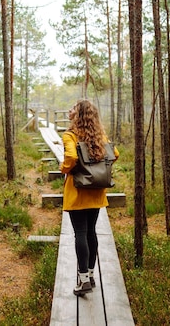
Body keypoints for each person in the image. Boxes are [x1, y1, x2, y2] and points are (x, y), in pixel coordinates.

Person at [60, 99, 119, 296]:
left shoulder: (70, 136)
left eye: (73, 108)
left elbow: (71, 158)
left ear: (78, 115)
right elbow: (115, 154)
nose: (70, 110)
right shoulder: (99, 135)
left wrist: (64, 169)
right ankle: (91, 276)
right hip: (96, 189)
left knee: (80, 233)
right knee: (91, 232)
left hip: (78, 191)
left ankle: (83, 279)